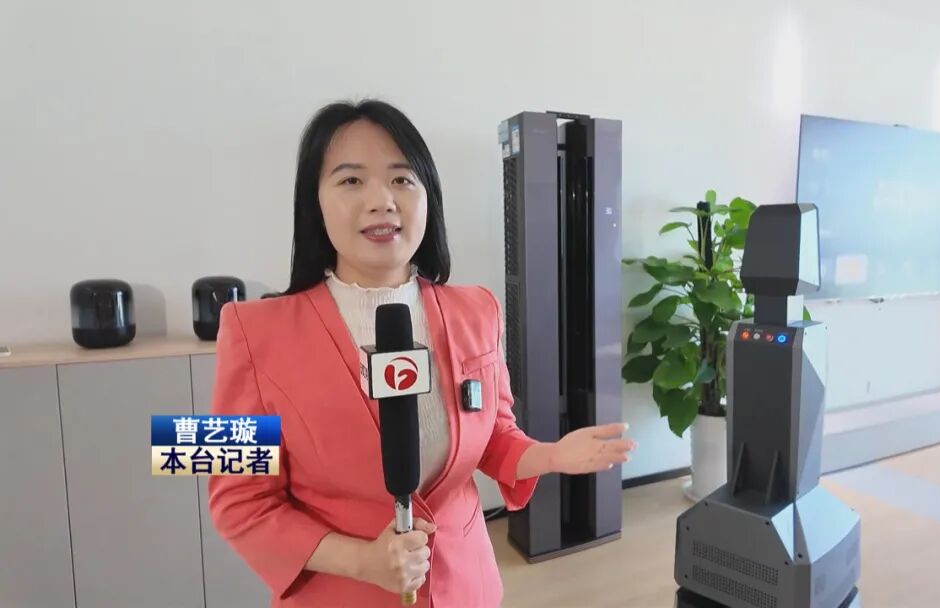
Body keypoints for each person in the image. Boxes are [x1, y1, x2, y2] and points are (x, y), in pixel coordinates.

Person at [207, 99, 636, 607]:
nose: (382, 200)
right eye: (351, 180)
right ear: (313, 201)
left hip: (466, 587)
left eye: (402, 179)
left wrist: (552, 454)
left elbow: (495, 435)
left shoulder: (477, 310)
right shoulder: (250, 330)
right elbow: (236, 501)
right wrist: (362, 561)